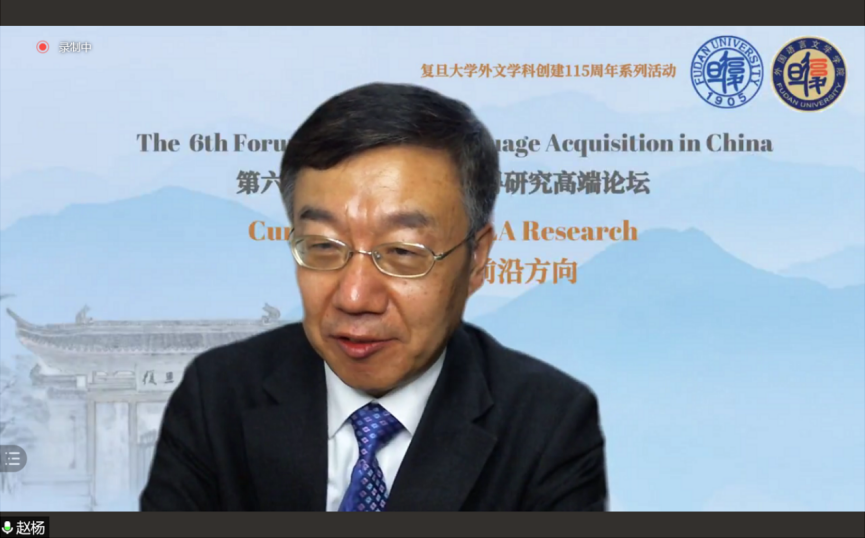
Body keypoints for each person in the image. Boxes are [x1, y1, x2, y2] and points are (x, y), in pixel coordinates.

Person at [139, 83, 608, 511]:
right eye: (323, 246)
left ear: (477, 259)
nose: (354, 296)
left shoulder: (549, 424)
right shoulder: (217, 395)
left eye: (403, 252)